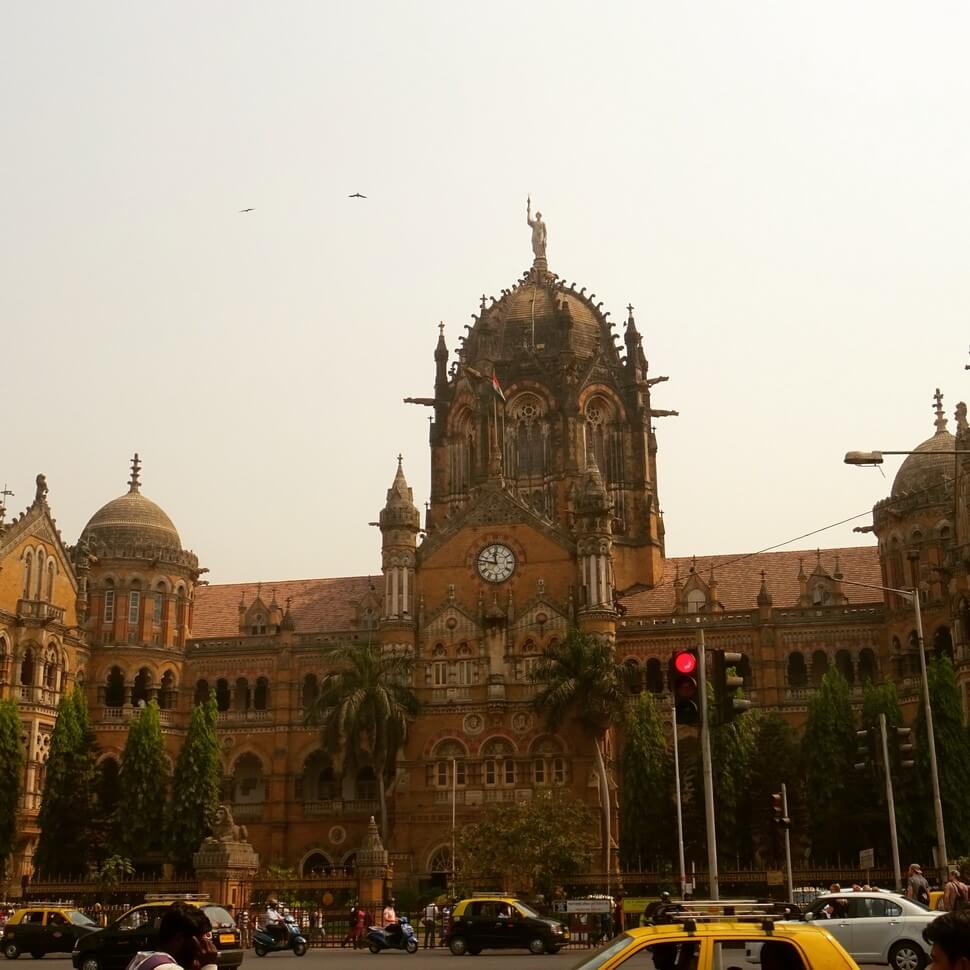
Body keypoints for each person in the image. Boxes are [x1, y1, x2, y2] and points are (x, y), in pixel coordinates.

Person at [126, 901, 218, 970]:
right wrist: (209, 965)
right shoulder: (169, 968)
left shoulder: (145, 959)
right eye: (200, 943)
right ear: (178, 938)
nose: (201, 952)